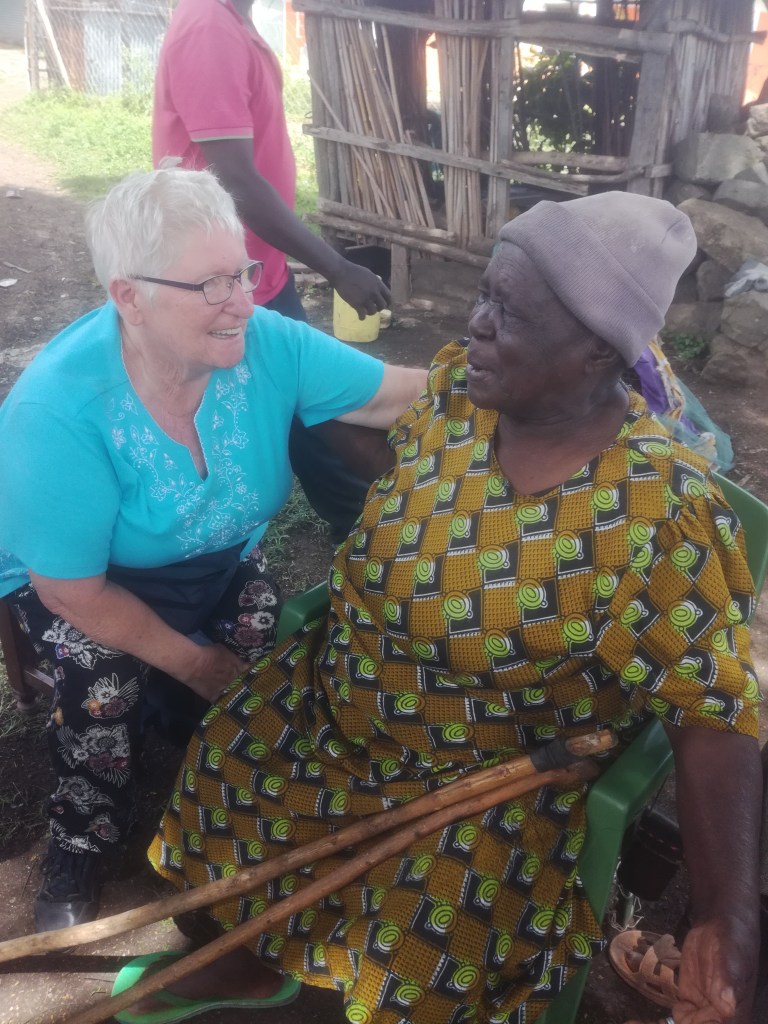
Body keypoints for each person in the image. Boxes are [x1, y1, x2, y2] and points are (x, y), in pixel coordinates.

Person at [114, 192, 762, 1024]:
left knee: (428, 931)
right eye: (484, 293)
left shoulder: (655, 514)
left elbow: (713, 714)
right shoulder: (462, 391)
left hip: (478, 780)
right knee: (234, 760)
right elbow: (403, 462)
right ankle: (251, 963)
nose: (477, 323)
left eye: (510, 313)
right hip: (333, 706)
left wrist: (726, 917)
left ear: (598, 352)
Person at [0, 166, 426, 935]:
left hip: (215, 564)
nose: (243, 301)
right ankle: (82, 839)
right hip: (91, 588)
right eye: (211, 285)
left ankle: (213, 779)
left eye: (244, 273)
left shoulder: (266, 345)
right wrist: (195, 661)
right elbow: (71, 589)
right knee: (102, 693)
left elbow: (396, 392)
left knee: (262, 661)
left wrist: (513, 380)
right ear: (129, 296)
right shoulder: (59, 408)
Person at [153, 0, 391, 542]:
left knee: (312, 407)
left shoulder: (233, 21)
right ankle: (362, 536)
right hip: (216, 281)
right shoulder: (209, 25)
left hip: (255, 270)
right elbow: (231, 178)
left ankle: (366, 532)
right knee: (303, 410)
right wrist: (336, 266)